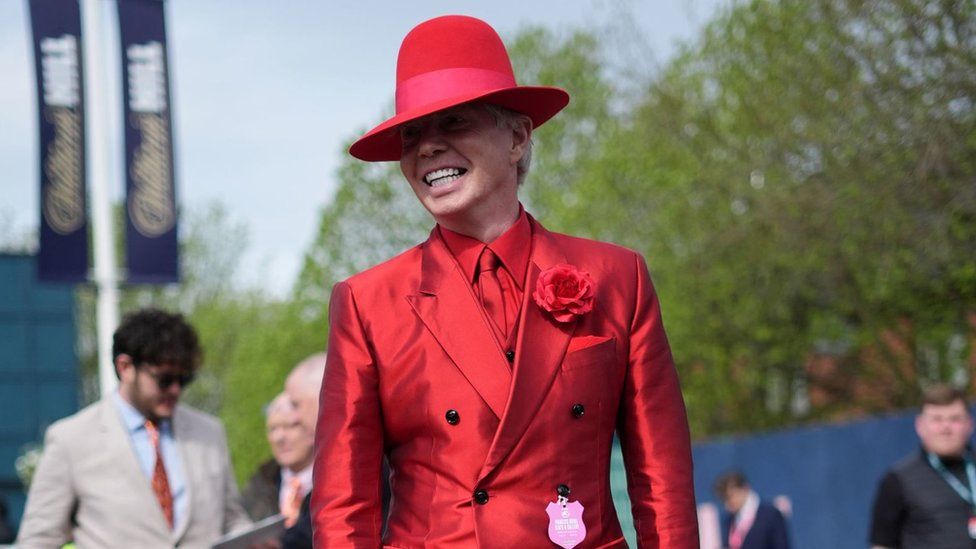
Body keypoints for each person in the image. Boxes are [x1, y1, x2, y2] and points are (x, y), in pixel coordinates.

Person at [312, 14, 698, 548]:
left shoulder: (617, 277)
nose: (426, 147)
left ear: (517, 137)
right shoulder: (367, 302)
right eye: (412, 134)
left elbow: (663, 480)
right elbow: (344, 506)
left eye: (454, 123)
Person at [17, 308, 251, 548]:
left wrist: (253, 539)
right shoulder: (71, 439)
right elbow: (39, 539)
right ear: (125, 367)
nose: (175, 390)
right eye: (165, 380)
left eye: (184, 380)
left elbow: (232, 519)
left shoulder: (209, 433)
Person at [869, 384, 976, 548]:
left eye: (955, 419)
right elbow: (882, 545)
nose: (945, 428)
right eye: (937, 419)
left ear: (969, 424)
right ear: (920, 426)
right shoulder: (898, 480)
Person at [242, 393, 315, 525]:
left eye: (289, 426)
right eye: (272, 429)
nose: (278, 438)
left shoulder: (338, 480)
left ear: (312, 427)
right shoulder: (257, 487)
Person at [714, 471, 790, 549]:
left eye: (730, 497)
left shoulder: (771, 515)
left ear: (745, 488)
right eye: (723, 499)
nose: (727, 503)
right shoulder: (728, 520)